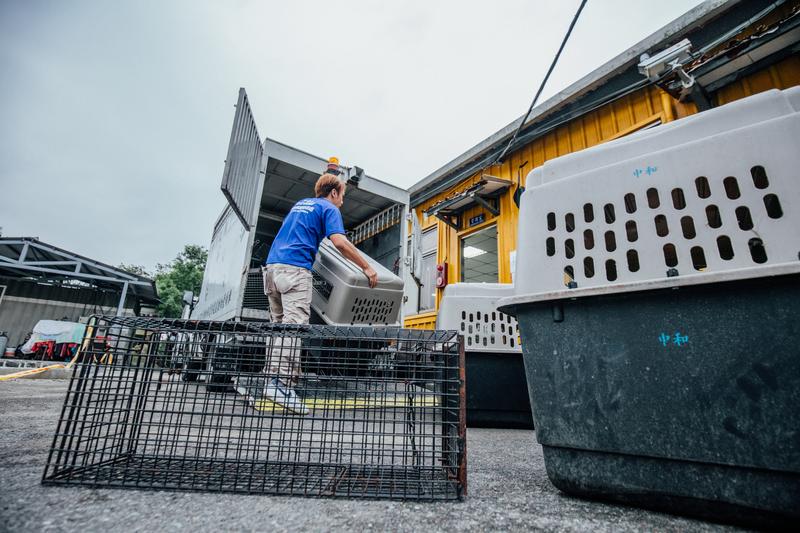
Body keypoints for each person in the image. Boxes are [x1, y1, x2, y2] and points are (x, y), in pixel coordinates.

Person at [235, 173, 378, 415]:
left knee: (279, 327)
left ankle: (272, 379)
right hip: (295, 270)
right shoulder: (329, 209)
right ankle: (280, 385)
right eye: (342, 195)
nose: (342, 201)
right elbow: (340, 243)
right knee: (295, 327)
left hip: (272, 269)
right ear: (333, 193)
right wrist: (366, 267)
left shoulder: (300, 205)